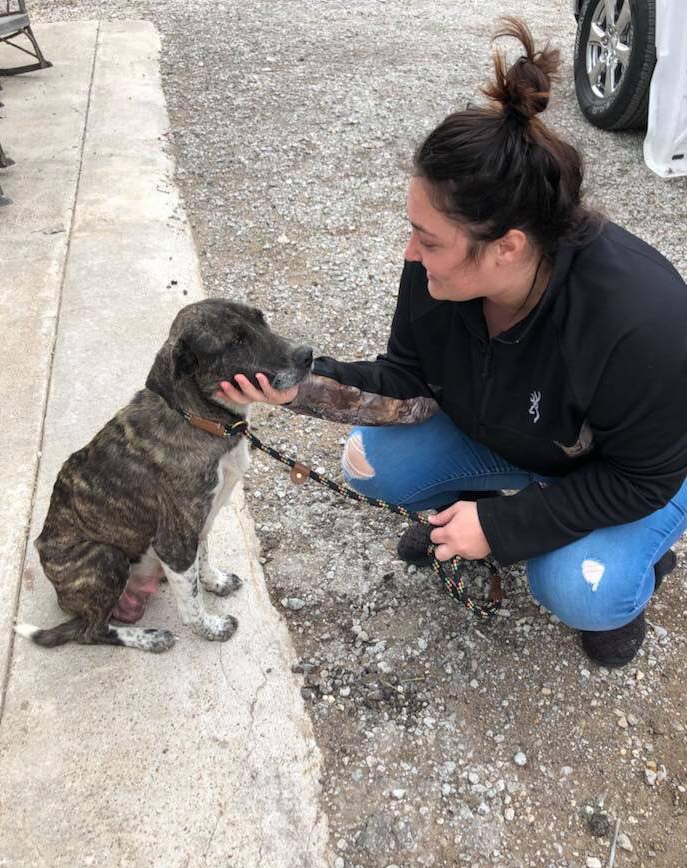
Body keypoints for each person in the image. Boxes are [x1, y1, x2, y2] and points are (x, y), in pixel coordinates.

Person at [216, 18, 687, 668]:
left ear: (508, 246)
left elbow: (643, 477)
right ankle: (470, 515)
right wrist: (293, 385)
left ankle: (638, 571)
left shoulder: (642, 319)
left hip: (638, 475)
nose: (412, 254)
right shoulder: (438, 277)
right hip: (522, 441)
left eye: (429, 240)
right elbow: (405, 384)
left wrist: (499, 529)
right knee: (370, 462)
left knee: (580, 586)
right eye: (415, 232)